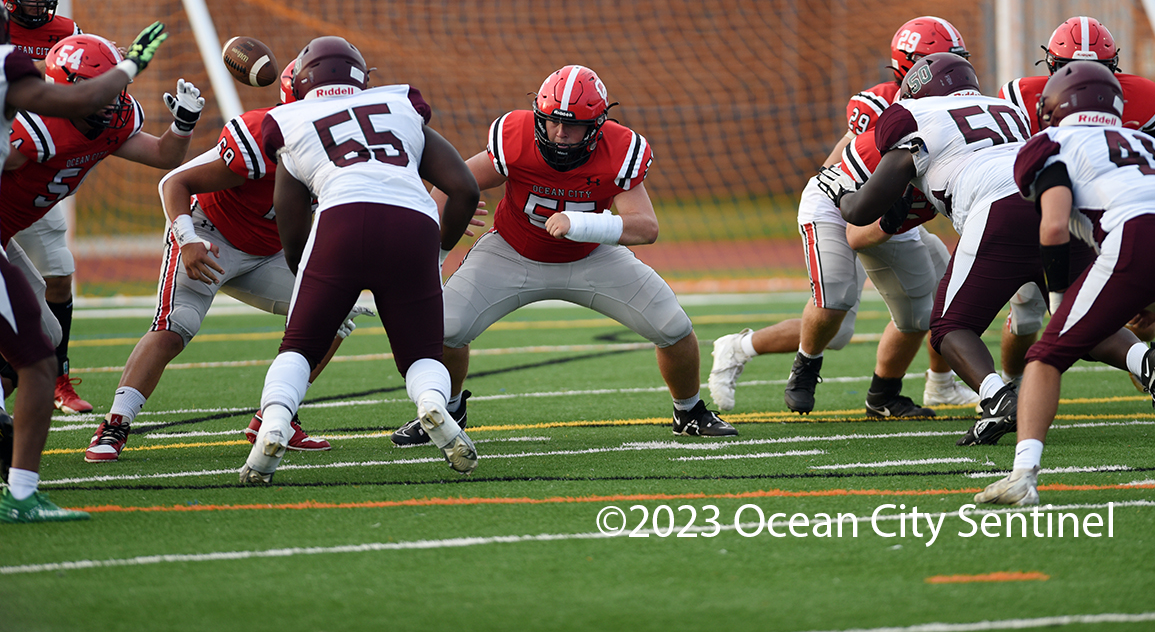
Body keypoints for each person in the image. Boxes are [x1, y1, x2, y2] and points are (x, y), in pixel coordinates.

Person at [834, 52, 1155, 446]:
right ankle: (1145, 361)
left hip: (996, 210)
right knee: (1074, 316)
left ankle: (997, 397)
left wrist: (843, 196)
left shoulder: (912, 115)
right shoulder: (1006, 108)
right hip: (1055, 201)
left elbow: (866, 208)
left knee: (950, 328)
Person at [390, 64, 736, 447]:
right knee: (444, 330)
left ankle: (688, 411)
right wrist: (451, 210)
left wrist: (583, 225)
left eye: (573, 125)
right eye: (552, 121)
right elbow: (453, 180)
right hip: (511, 252)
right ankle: (449, 411)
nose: (560, 132)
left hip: (591, 257)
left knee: (673, 328)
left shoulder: (618, 148)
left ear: (598, 125)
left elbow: (646, 227)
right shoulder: (515, 136)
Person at [975, 62, 1155, 505]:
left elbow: (1054, 227)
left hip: (1137, 237)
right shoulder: (1146, 143)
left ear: (1057, 104)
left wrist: (1061, 296)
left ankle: (1023, 476)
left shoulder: (1049, 142)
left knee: (1046, 356)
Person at [83, 60, 369, 462]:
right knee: (176, 324)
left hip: (272, 252)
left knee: (336, 313)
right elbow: (174, 181)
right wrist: (187, 240)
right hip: (210, 239)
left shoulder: (350, 144)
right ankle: (115, 424)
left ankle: (275, 417)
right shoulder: (262, 135)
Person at [709, 16, 978, 417]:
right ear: (909, 66)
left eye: (954, 59)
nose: (949, 70)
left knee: (922, 313)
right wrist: (829, 183)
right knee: (835, 309)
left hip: (894, 215)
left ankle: (890, 394)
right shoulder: (881, 104)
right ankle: (789, 362)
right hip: (850, 205)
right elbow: (853, 160)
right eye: (938, 60)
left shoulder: (960, 109)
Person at [240, 36, 480, 483]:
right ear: (361, 77)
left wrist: (310, 275)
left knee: (298, 348)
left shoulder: (288, 119)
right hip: (413, 223)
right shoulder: (399, 104)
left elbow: (291, 225)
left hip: (341, 222)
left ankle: (273, 423)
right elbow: (465, 188)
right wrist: (440, 251)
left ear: (303, 79)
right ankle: (430, 404)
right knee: (422, 354)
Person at [0, 8, 167, 521]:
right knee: (38, 357)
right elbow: (75, 100)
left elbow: (98, 107)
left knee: (42, 341)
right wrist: (133, 64)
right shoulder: (36, 122)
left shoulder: (102, 114)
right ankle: (22, 493)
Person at [996, 16, 1155, 368]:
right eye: (1069, 69)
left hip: (1109, 218)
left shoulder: (1139, 97)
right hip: (1050, 215)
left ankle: (1146, 368)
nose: (1082, 80)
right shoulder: (1022, 98)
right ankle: (1013, 388)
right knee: (1027, 314)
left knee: (1139, 318)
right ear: (1051, 66)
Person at [1, 0, 91, 413]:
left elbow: (81, 73)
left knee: (59, 274)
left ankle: (59, 378)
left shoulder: (65, 29)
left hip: (37, 169)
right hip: (5, 167)